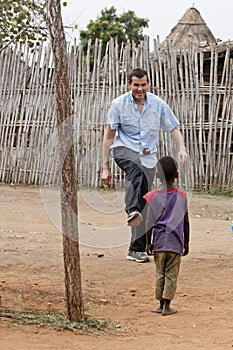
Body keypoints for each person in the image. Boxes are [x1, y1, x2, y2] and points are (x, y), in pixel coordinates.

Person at [101, 67, 188, 263]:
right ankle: (131, 209)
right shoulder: (118, 104)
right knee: (135, 168)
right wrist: (105, 166)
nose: (140, 89)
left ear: (148, 84)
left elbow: (173, 126)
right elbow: (109, 136)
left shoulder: (158, 104)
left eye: (143, 85)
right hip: (124, 150)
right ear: (129, 85)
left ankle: (136, 249)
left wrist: (181, 147)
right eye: (136, 85)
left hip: (148, 156)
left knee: (145, 203)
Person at [144, 156, 190, 315]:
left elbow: (149, 222)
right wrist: (186, 243)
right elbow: (185, 222)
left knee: (159, 273)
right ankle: (167, 306)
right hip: (175, 242)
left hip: (159, 242)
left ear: (157, 176)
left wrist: (148, 243)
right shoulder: (182, 196)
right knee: (171, 274)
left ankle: (159, 304)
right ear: (176, 175)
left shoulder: (152, 196)